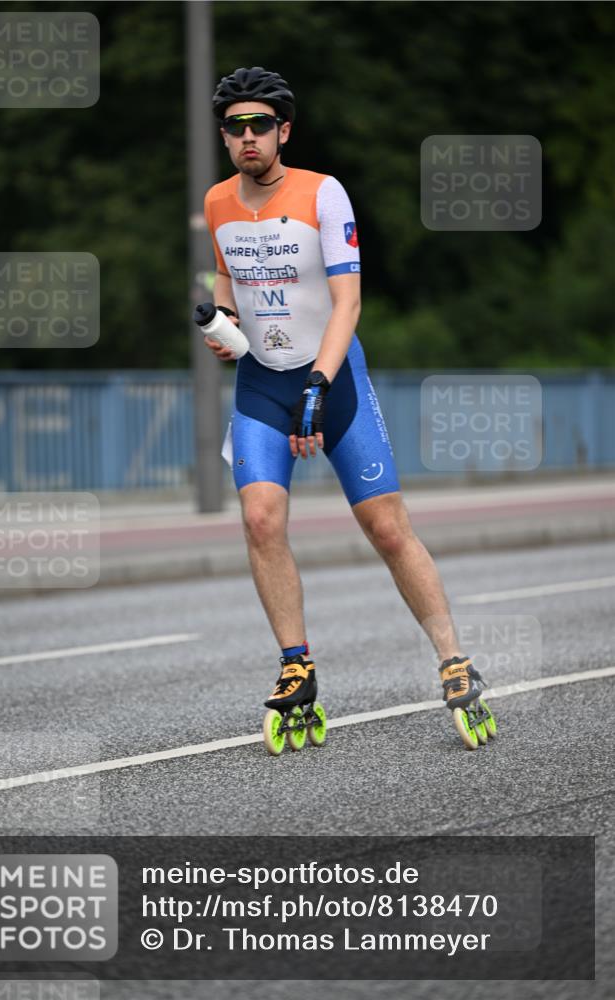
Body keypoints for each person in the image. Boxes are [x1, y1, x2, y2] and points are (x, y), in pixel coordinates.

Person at [203, 66, 489, 745]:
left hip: (331, 379)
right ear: (224, 136)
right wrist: (220, 317)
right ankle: (295, 665)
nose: (248, 137)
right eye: (235, 127)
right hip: (261, 381)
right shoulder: (216, 202)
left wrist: (319, 384)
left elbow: (347, 302)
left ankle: (451, 655)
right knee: (259, 517)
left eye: (260, 125)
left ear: (284, 131)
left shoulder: (322, 194)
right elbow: (225, 274)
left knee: (387, 528)